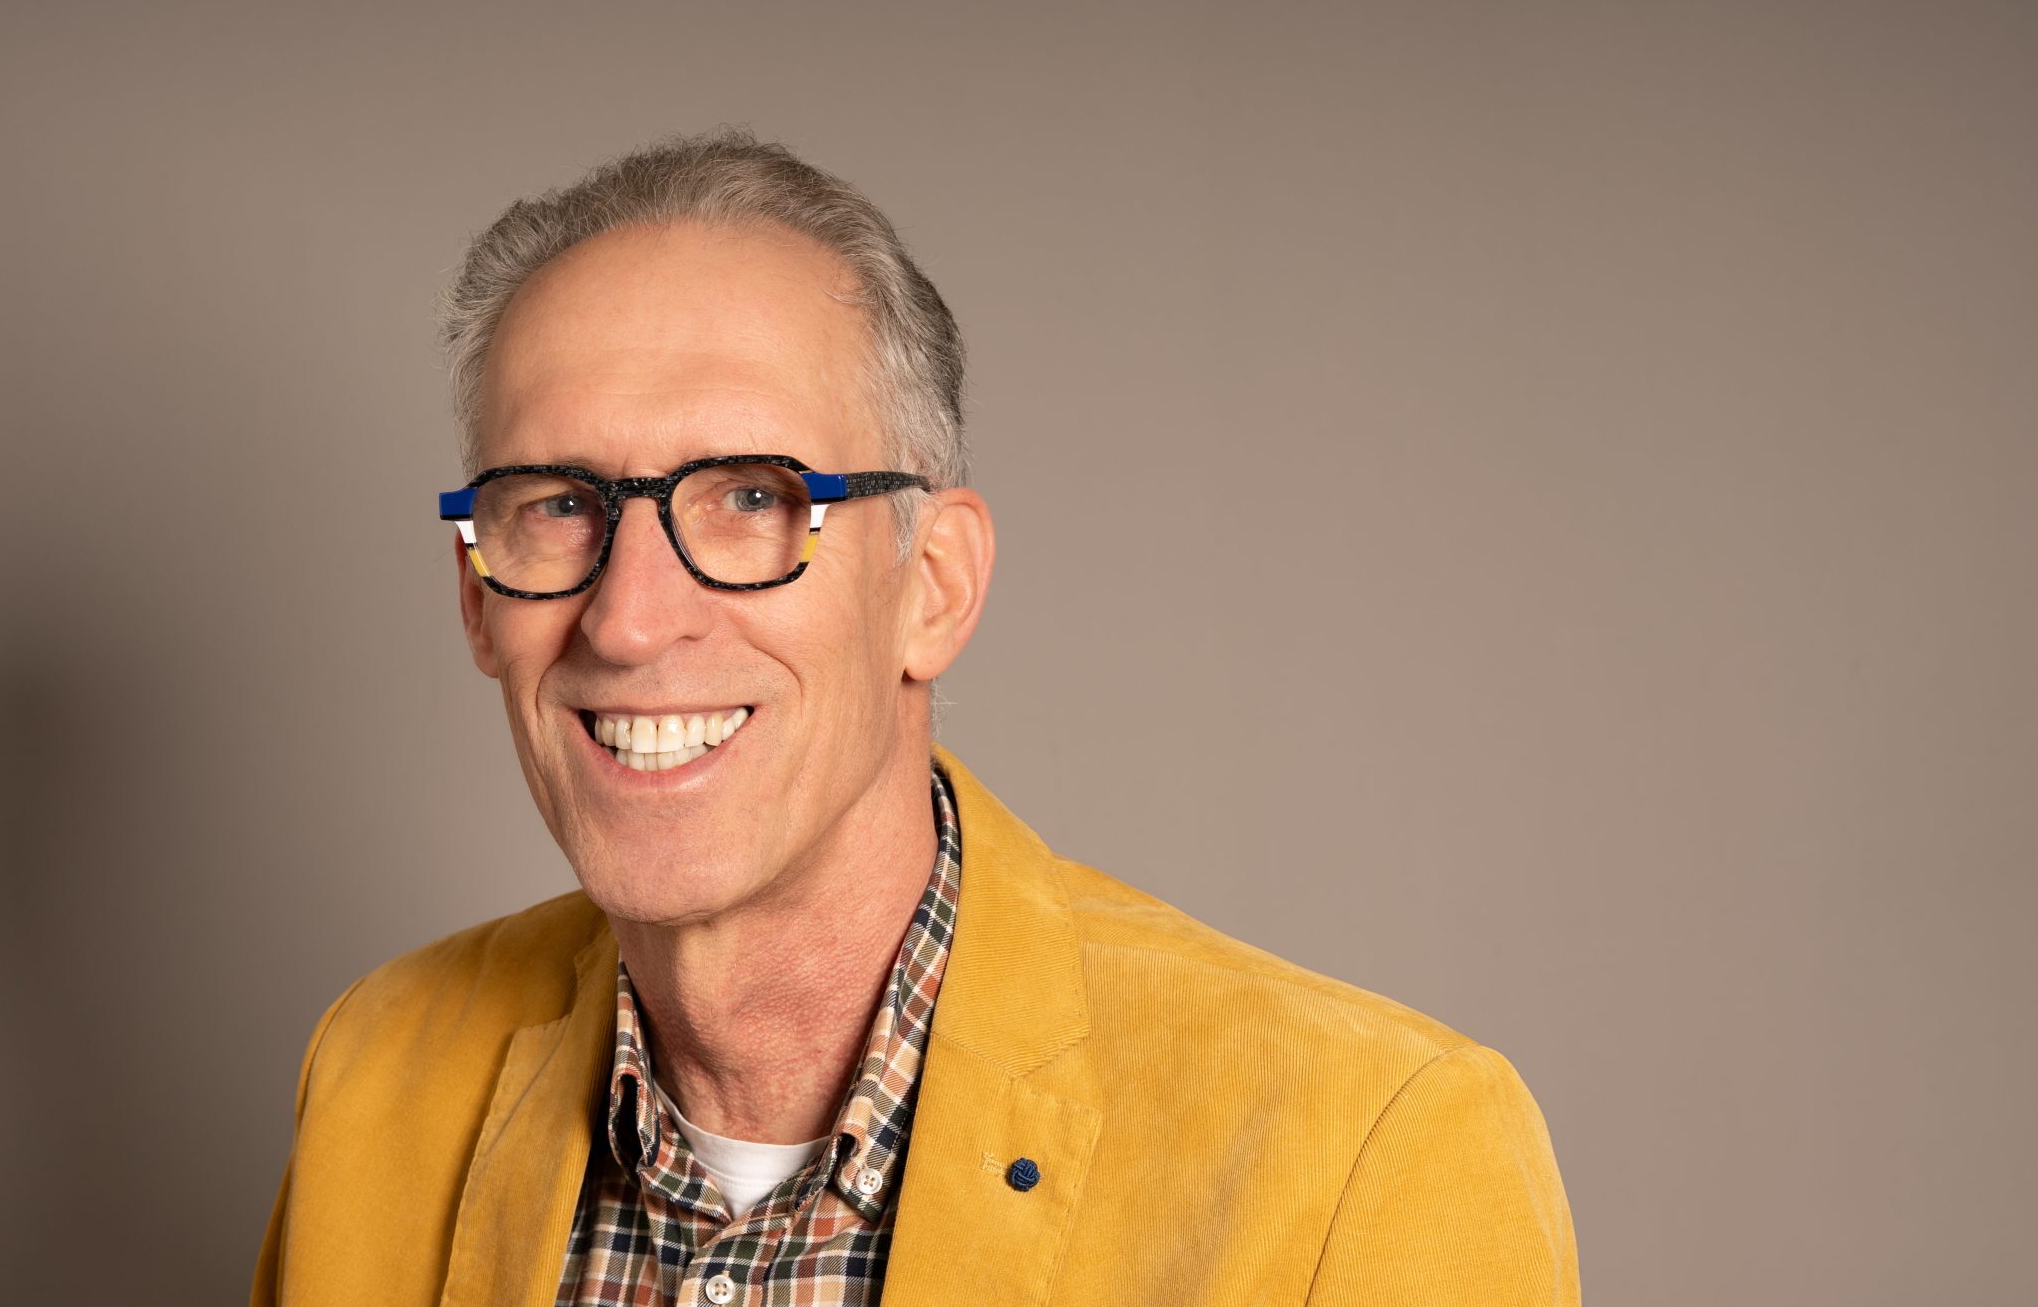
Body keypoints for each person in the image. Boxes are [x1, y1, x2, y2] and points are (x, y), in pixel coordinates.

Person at [251, 128, 1580, 1305]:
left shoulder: (1365, 1155)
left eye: (752, 498)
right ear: (478, 599)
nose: (631, 620)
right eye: (556, 505)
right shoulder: (379, 1079)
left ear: (932, 587)